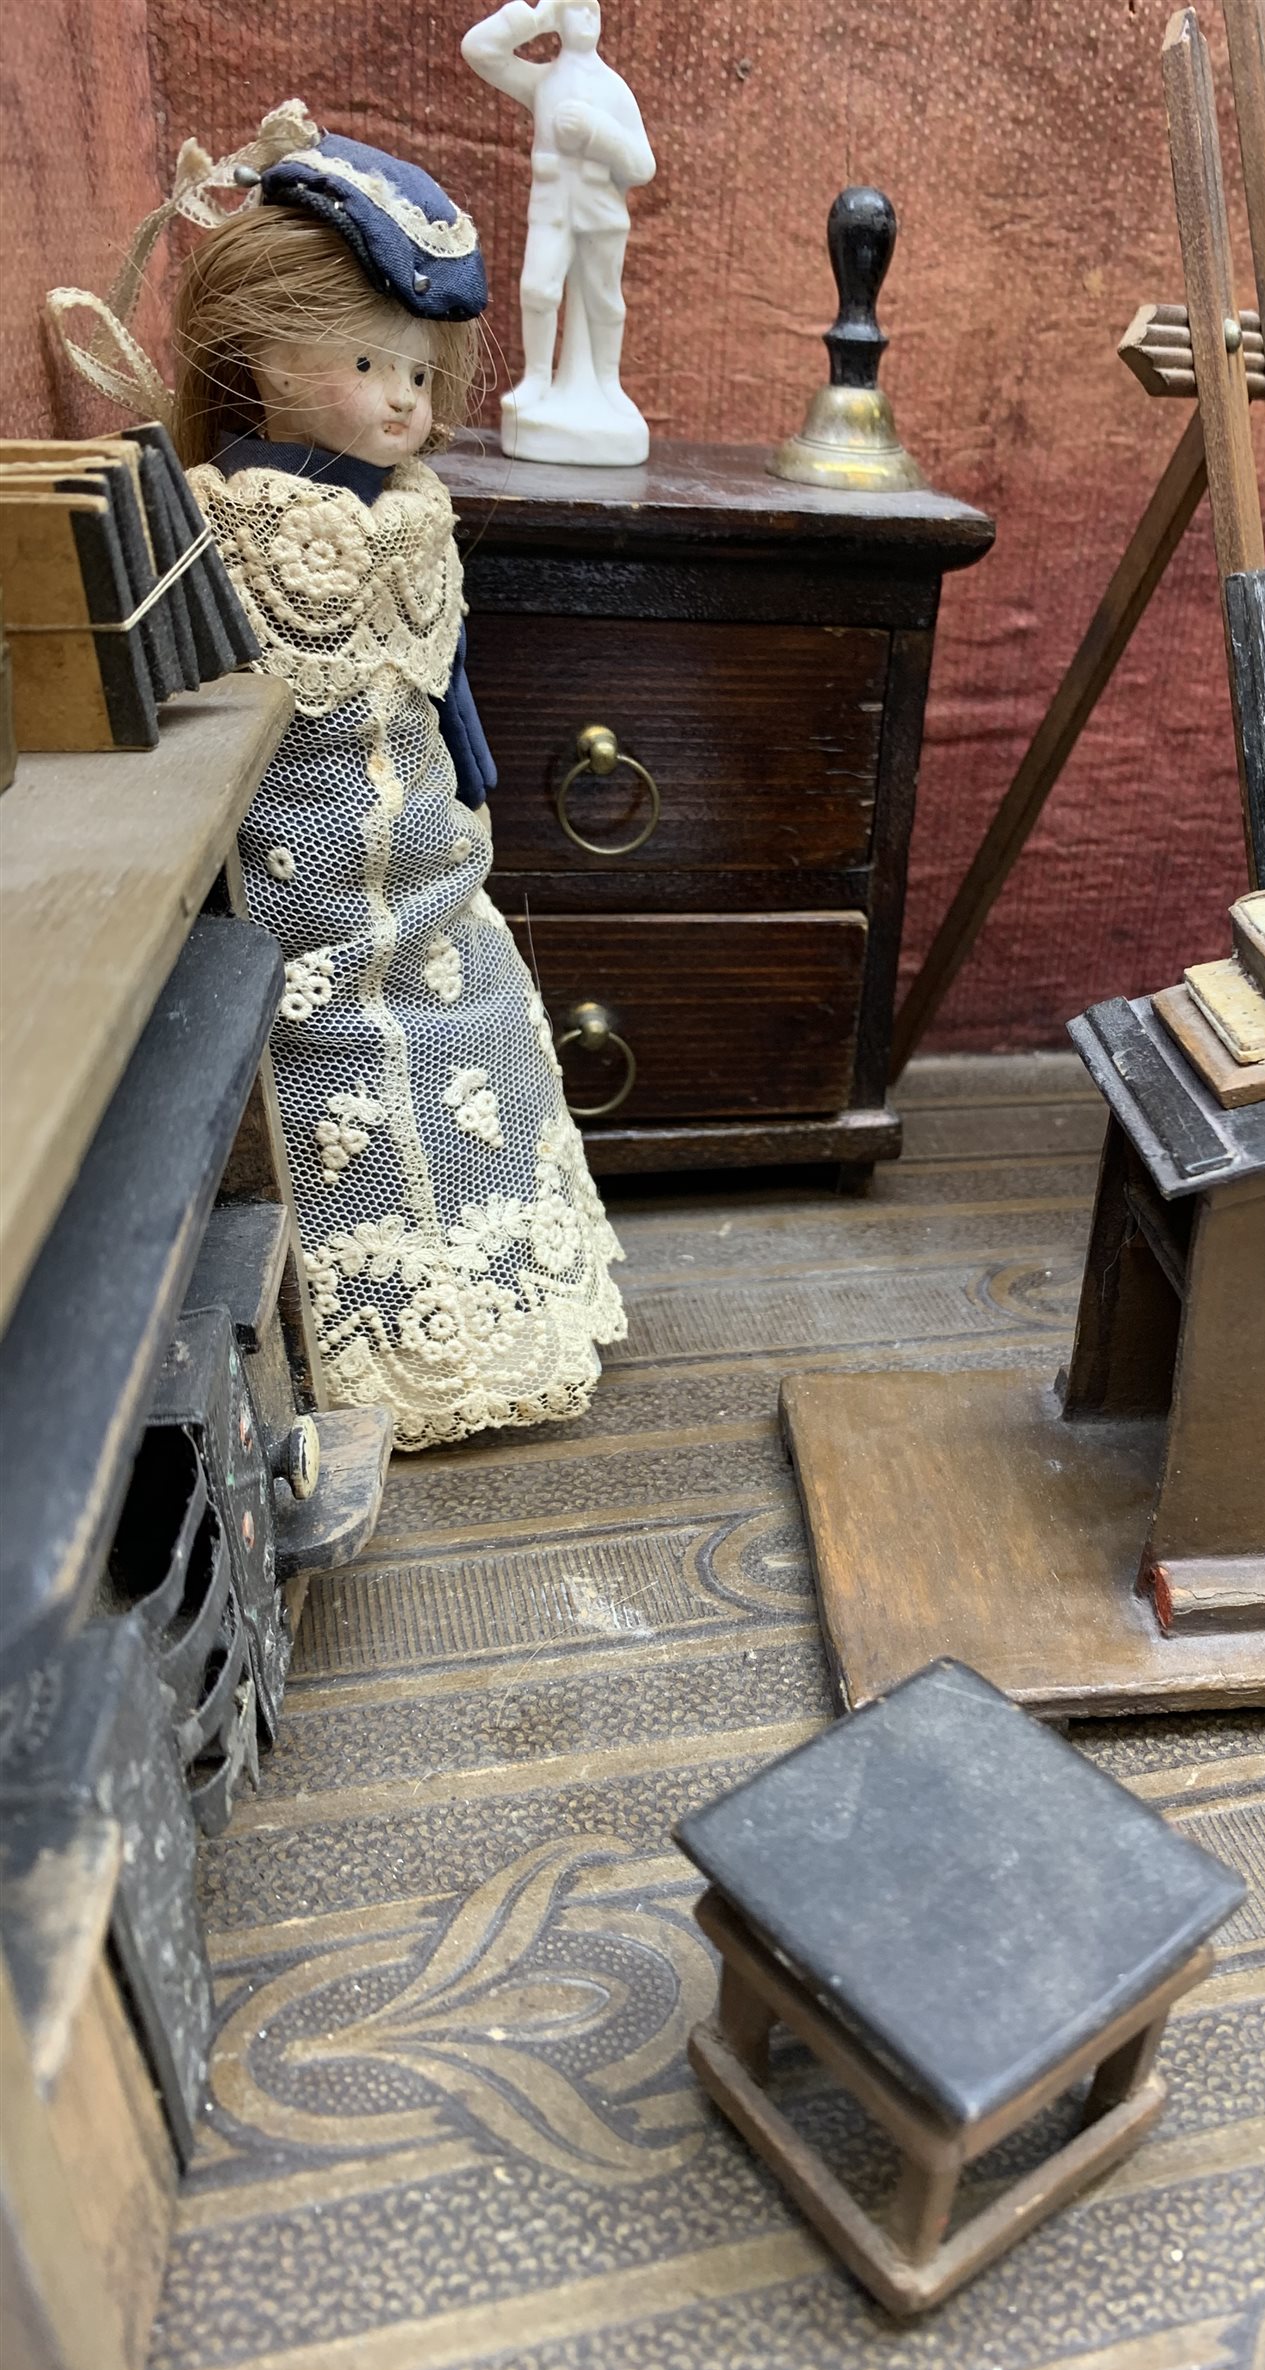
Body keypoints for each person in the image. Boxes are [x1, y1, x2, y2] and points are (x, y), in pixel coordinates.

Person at [162, 121, 629, 1448]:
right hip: (297, 895)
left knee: (490, 1030)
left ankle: (499, 1317)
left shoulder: (414, 506)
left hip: (430, 874)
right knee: (329, 1077)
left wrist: (475, 778)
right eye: (369, 365)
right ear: (264, 355)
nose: (400, 401)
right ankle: (372, 1347)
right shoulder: (228, 515)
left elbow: (447, 669)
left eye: (417, 373)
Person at [462, 0, 656, 463]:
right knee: (537, 289)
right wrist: (527, 20)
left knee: (604, 299)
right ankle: (537, 381)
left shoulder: (614, 88)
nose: (587, 17)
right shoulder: (543, 80)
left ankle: (608, 386)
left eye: (592, 9)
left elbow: (643, 166)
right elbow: (480, 51)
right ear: (558, 18)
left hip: (601, 210)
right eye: (574, 9)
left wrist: (597, 133)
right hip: (551, 208)